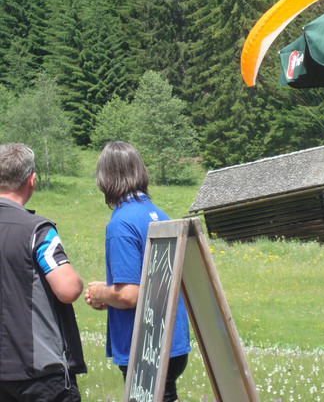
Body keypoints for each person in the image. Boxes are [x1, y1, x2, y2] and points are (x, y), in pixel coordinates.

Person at [85, 141, 190, 402]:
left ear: (104, 178)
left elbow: (129, 295)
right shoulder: (159, 214)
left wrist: (100, 292)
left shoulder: (121, 224)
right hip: (172, 342)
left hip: (145, 348)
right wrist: (109, 293)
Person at [0, 142, 86, 402]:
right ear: (32, 180)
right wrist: (80, 282)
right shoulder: (38, 231)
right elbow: (68, 290)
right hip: (38, 372)